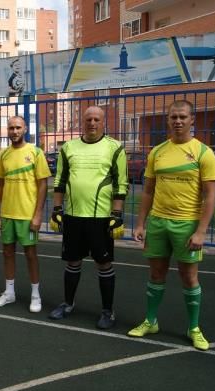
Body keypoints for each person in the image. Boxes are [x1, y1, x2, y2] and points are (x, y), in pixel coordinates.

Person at [127, 100, 215, 351]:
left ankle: (193, 328)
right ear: (168, 120)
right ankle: (151, 321)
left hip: (187, 225)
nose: (178, 121)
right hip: (158, 223)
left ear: (192, 120)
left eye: (182, 117)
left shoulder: (203, 153)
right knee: (156, 274)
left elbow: (210, 196)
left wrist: (201, 231)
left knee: (189, 277)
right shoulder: (157, 152)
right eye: (173, 117)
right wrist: (140, 223)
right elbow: (148, 191)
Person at [48, 106, 128, 329]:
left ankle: (107, 311)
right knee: (72, 261)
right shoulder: (69, 147)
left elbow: (121, 183)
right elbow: (60, 180)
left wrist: (117, 214)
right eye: (88, 119)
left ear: (103, 122)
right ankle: (67, 304)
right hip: (73, 216)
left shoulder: (115, 147)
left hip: (101, 218)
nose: (92, 123)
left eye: (96, 119)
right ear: (82, 122)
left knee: (104, 263)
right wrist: (57, 209)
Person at [0, 116, 51, 312]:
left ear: (25, 129)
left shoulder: (35, 152)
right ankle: (9, 293)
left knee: (31, 254)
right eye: (11, 128)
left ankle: (35, 295)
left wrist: (38, 215)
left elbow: (43, 185)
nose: (14, 131)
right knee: (7, 253)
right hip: (8, 214)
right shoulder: (4, 154)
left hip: (27, 214)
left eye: (18, 127)